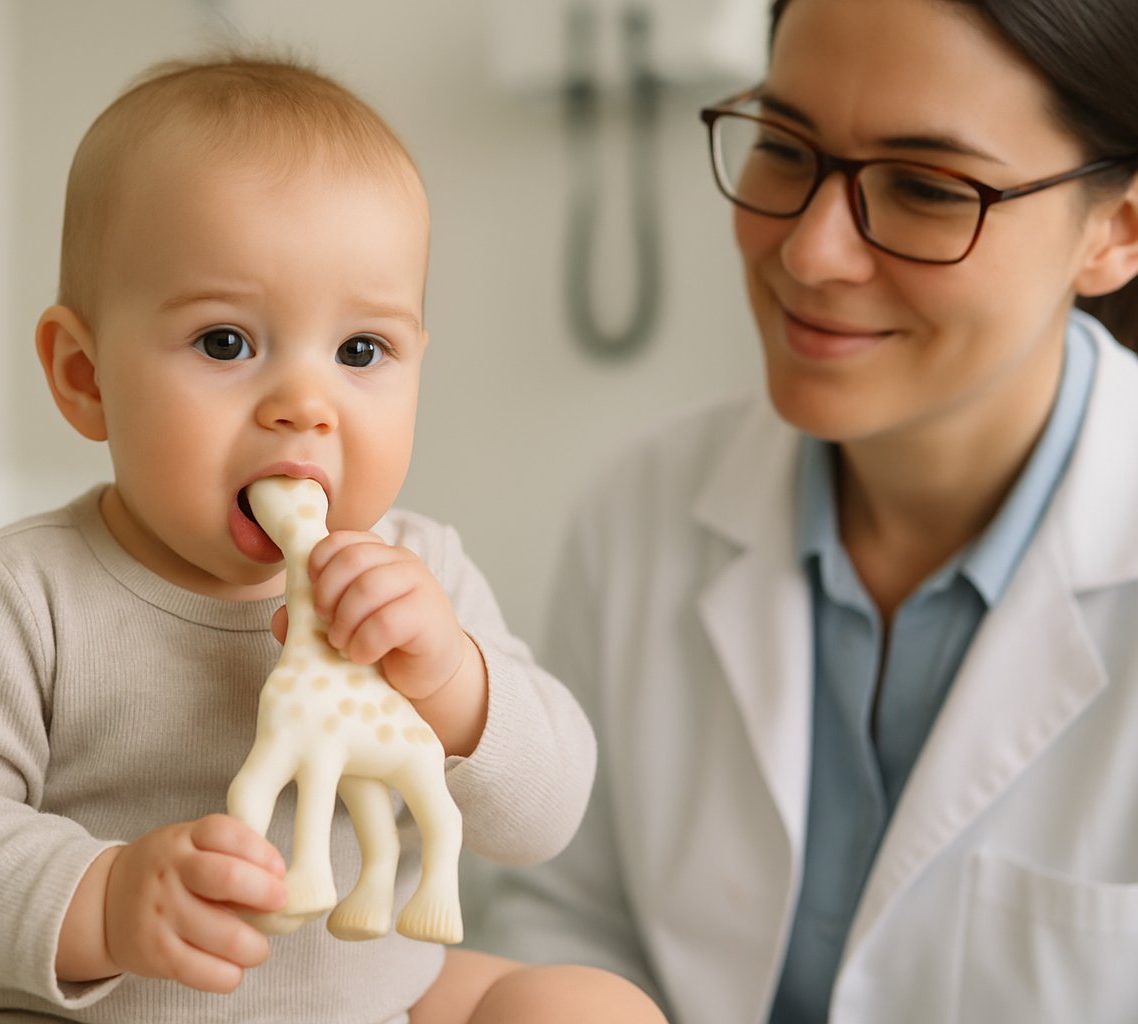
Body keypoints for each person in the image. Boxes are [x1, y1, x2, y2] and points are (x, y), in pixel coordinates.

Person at [0, 55, 663, 1024]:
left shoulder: (424, 572)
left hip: (378, 1000)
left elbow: (548, 815)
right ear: (85, 376)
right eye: (226, 342)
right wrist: (102, 899)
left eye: (361, 351)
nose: (305, 407)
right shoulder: (26, 590)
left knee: (590, 1007)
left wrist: (454, 682)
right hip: (108, 1013)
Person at [479, 0, 1138, 1021]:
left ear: (1117, 231)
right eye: (784, 147)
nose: (812, 253)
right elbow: (566, 910)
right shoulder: (643, 510)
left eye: (925, 187)